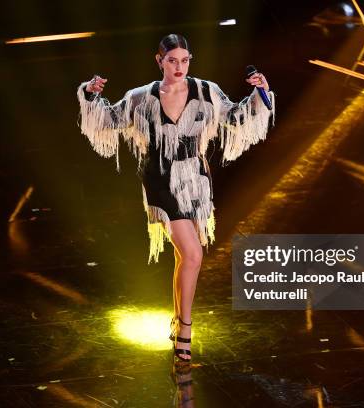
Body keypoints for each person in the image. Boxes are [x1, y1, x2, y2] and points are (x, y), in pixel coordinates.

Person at [76, 34, 274, 362]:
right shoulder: (141, 97)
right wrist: (90, 95)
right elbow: (109, 120)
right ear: (159, 61)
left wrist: (261, 92)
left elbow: (235, 117)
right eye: (172, 60)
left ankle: (177, 318)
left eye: (184, 60)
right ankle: (185, 327)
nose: (179, 66)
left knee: (187, 257)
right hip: (160, 180)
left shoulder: (206, 91)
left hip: (195, 180)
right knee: (193, 255)